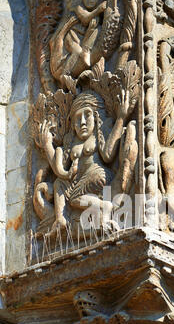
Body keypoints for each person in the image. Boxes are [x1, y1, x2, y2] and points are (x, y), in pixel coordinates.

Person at [39, 90, 128, 232]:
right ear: (73, 124)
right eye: (77, 118)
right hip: (77, 180)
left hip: (97, 175)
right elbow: (59, 169)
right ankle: (60, 219)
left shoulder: (99, 134)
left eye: (87, 115)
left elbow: (108, 155)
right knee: (59, 183)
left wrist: (121, 118)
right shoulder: (71, 141)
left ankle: (103, 207)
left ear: (96, 117)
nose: (82, 122)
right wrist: (47, 145)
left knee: (74, 199)